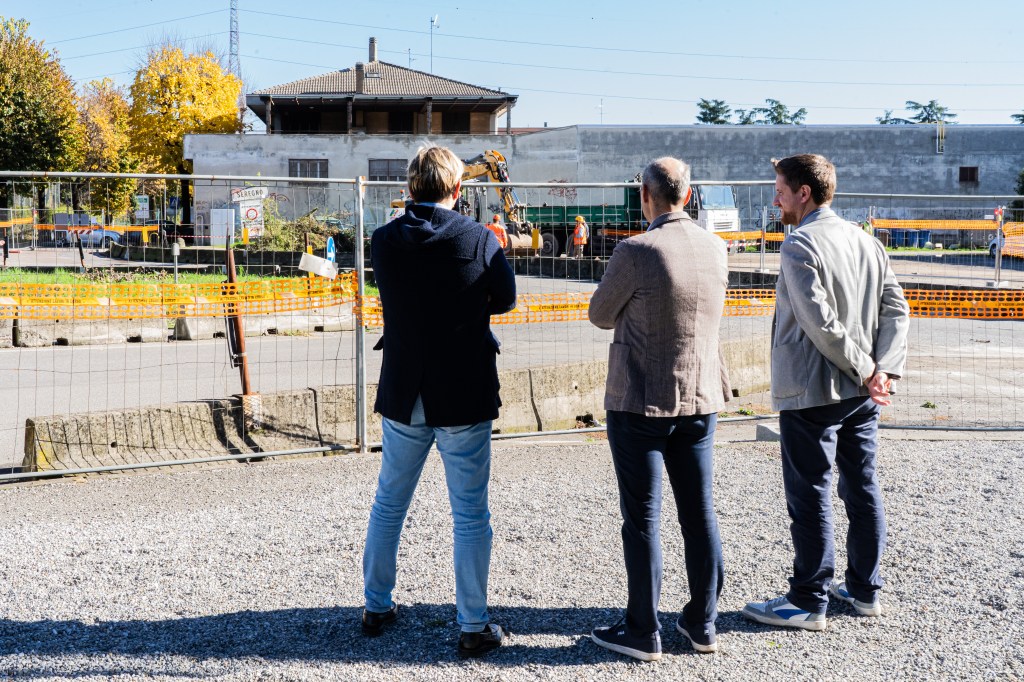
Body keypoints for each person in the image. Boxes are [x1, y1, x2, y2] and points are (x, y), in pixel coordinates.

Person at [361, 145, 517, 658]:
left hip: (404, 386)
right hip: (463, 388)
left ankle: (376, 606)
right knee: (470, 513)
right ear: (458, 188)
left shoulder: (384, 240)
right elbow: (506, 298)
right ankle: (473, 623)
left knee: (389, 502)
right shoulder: (479, 238)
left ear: (409, 188)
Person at [742, 154, 909, 631]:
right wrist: (883, 370)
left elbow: (820, 323)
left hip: (813, 389)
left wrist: (868, 370)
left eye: (780, 190)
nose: (775, 199)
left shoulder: (800, 244)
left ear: (804, 193)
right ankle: (864, 590)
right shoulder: (867, 241)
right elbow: (896, 308)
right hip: (862, 394)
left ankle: (807, 600)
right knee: (862, 485)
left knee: (810, 492)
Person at [588, 157, 731, 662]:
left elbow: (600, 314)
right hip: (700, 395)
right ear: (687, 195)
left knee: (643, 518)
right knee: (699, 512)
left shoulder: (636, 250)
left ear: (645, 195)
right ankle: (703, 622)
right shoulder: (715, 247)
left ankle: (642, 630)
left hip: (640, 399)